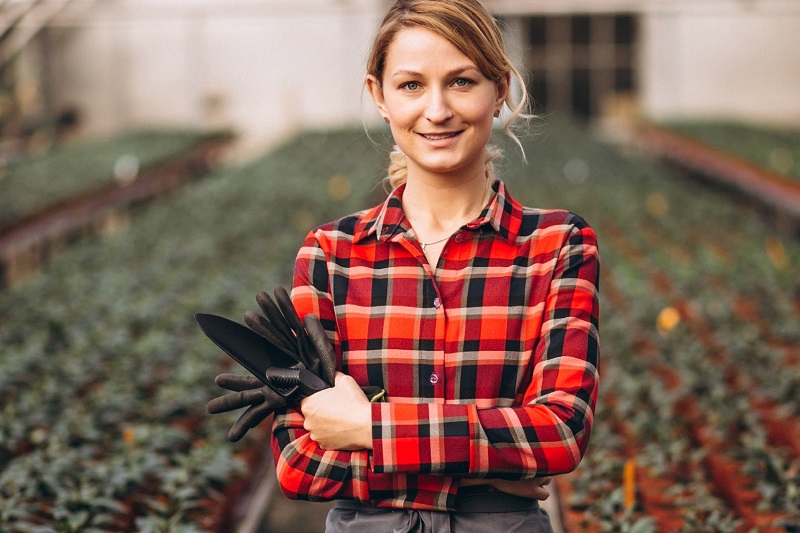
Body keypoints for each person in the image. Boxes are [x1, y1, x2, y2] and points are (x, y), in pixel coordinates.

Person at [273, 1, 600, 531]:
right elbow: (299, 463)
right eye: (410, 85)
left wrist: (369, 426)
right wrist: (487, 471)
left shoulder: (556, 245)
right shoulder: (331, 254)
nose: (438, 109)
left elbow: (559, 432)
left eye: (462, 81)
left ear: (499, 91)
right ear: (379, 97)